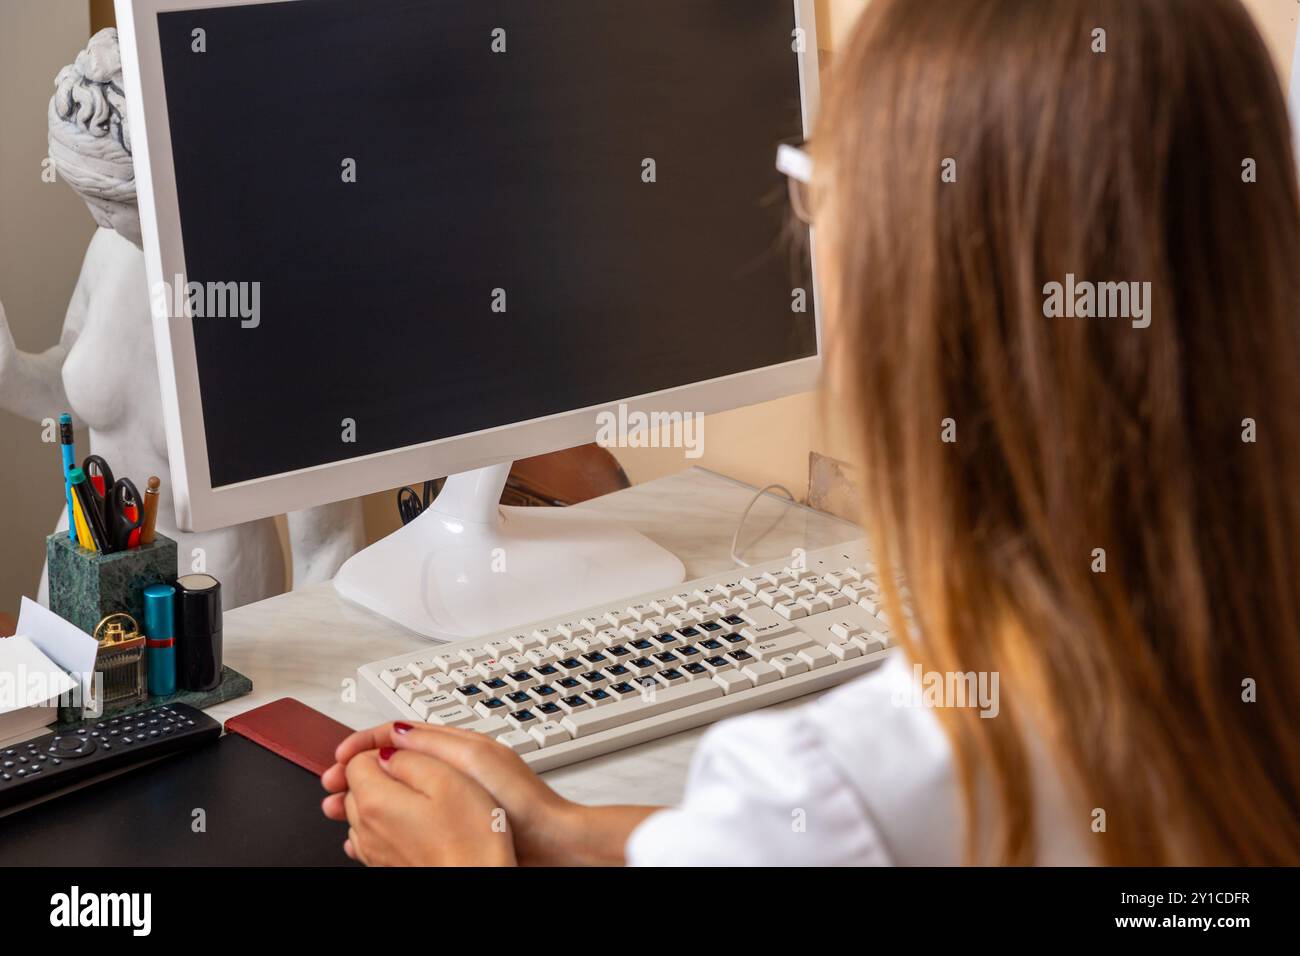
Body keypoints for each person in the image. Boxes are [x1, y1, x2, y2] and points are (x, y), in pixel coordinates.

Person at [321, 0, 1300, 866]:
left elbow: (822, 825)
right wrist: (558, 826)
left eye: (815, 188)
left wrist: (460, 858)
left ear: (917, 297)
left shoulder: (849, 774)